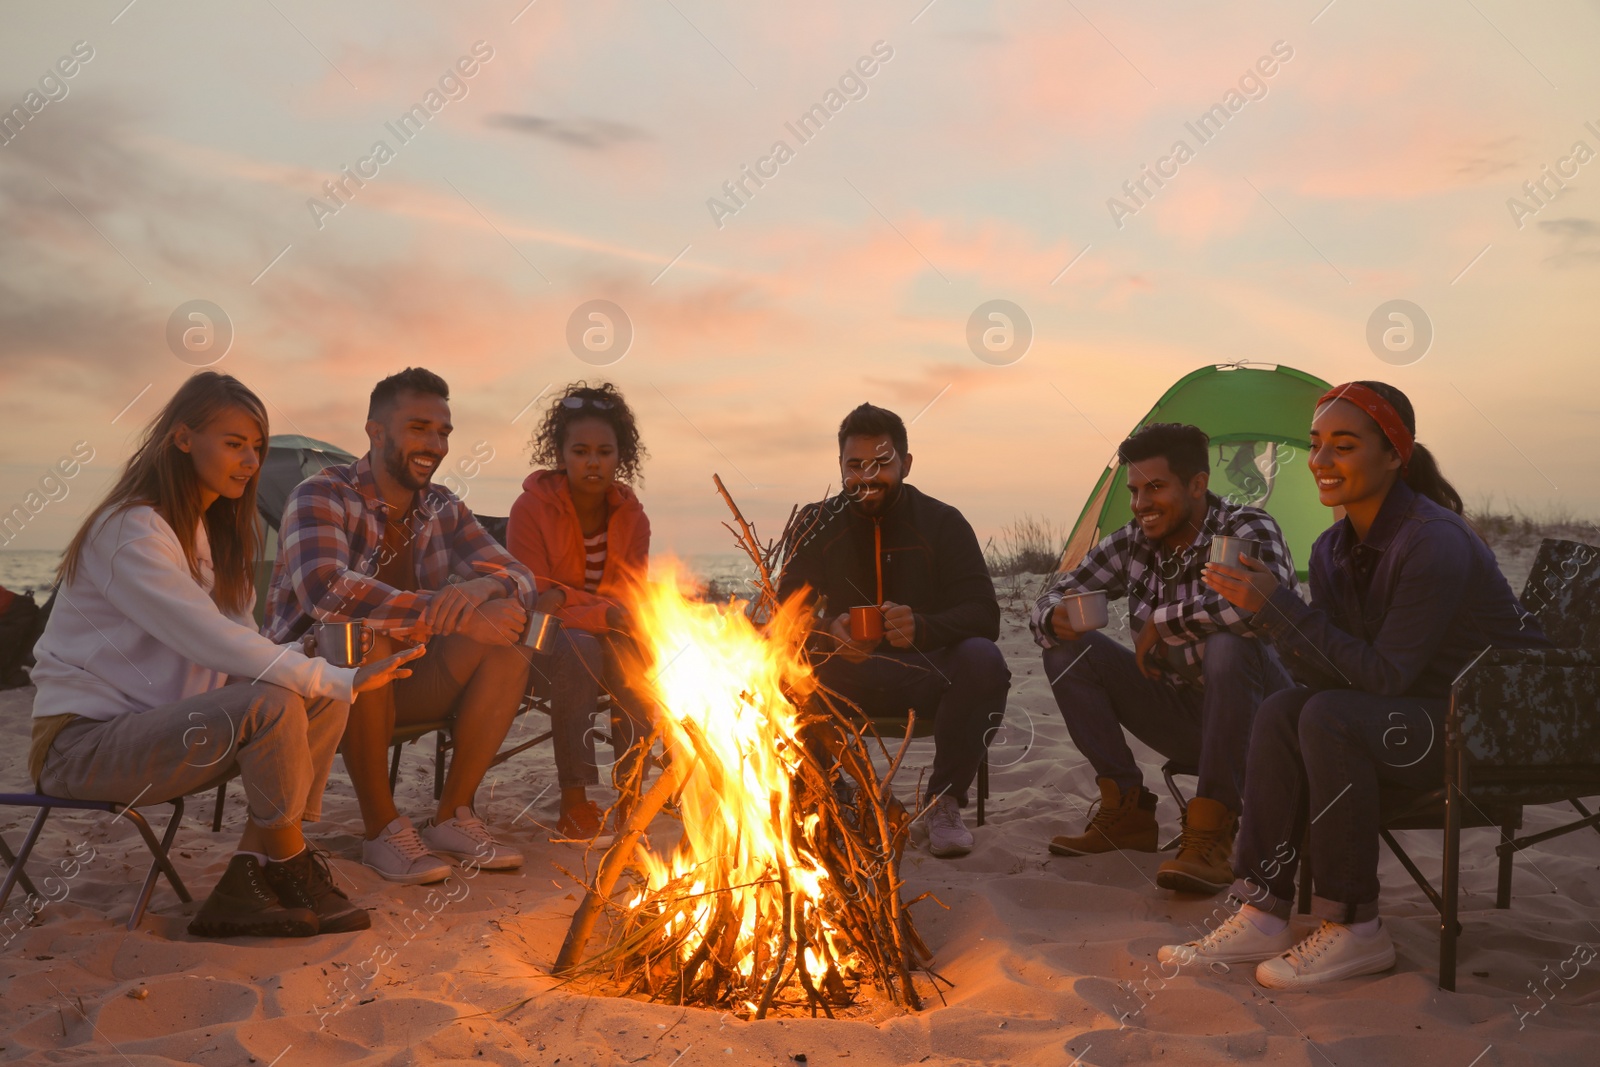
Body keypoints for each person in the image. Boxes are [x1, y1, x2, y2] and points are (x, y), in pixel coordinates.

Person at [1159, 381, 1549, 988]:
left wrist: (1280, 609)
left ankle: (1357, 928)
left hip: (1497, 728)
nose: (1320, 461)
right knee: (1288, 707)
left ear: (1395, 454)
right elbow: (1335, 670)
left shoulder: (1434, 539)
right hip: (1421, 717)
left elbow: (1384, 676)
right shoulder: (1333, 548)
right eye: (1316, 445)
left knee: (1327, 716)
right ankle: (1262, 911)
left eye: (1343, 445)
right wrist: (1266, 614)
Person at [27, 372, 422, 938]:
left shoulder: (207, 535)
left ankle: (246, 874)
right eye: (235, 443)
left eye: (256, 447)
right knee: (286, 697)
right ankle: (291, 863)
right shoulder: (131, 531)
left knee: (313, 695)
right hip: (81, 747)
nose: (250, 460)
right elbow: (205, 637)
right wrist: (323, 674)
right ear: (183, 438)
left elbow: (244, 648)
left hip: (161, 733)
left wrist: (311, 657)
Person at [266, 368, 535, 884]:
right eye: (419, 428)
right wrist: (446, 610)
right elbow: (328, 590)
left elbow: (519, 575)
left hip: (401, 681)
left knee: (508, 640)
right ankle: (381, 831)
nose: (434, 444)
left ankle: (451, 818)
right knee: (366, 632)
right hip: (312, 688)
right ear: (376, 432)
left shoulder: (442, 507)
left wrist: (484, 590)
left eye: (443, 432)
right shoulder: (319, 494)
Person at [1032, 423, 1295, 894]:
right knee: (1068, 651)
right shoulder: (1134, 540)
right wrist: (1054, 618)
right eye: (1134, 491)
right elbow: (1054, 591)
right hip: (1187, 719)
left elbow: (1255, 608)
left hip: (1265, 724)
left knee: (1229, 645)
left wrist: (1164, 622)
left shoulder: (1245, 527)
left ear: (1197, 484)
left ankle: (1213, 828)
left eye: (1155, 488)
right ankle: (1127, 809)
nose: (1140, 505)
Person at [776, 403, 1009, 859]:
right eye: (855, 465)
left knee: (982, 660)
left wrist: (923, 627)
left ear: (905, 463)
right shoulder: (816, 522)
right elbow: (781, 615)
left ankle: (944, 803)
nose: (867, 476)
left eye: (881, 463)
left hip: (925, 675)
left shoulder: (942, 522)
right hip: (844, 678)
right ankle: (828, 793)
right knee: (779, 666)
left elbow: (985, 614)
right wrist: (829, 633)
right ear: (839, 467)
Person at [506, 382, 655, 841]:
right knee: (578, 646)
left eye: (605, 451)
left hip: (601, 638)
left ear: (620, 456)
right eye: (581, 450)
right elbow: (537, 595)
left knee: (637, 652)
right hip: (538, 643)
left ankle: (632, 794)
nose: (593, 461)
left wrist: (604, 615)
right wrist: (604, 615)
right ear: (562, 454)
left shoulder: (633, 517)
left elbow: (630, 597)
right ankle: (575, 802)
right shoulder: (530, 509)